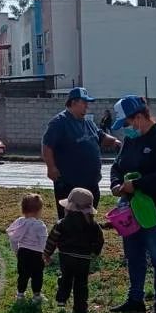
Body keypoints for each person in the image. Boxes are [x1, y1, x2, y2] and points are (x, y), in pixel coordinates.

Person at [110, 95, 156, 313]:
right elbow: (117, 166)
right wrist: (116, 184)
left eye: (126, 125)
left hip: (155, 211)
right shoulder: (131, 140)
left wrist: (136, 184)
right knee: (134, 254)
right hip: (130, 210)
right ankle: (135, 298)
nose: (125, 131)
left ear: (138, 118)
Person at [42, 86, 120, 218]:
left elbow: (101, 137)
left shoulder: (88, 123)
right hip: (69, 184)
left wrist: (116, 141)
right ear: (73, 103)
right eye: (84, 103)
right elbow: (47, 146)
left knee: (88, 219)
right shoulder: (59, 122)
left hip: (91, 182)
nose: (86, 106)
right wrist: (51, 167)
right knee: (69, 220)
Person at [44, 187, 104, 313]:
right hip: (84, 258)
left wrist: (47, 253)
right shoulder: (93, 225)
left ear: (69, 206)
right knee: (81, 283)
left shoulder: (62, 223)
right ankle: (80, 309)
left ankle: (61, 299)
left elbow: (52, 239)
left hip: (65, 257)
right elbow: (99, 240)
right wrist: (95, 252)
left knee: (66, 277)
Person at [6, 193, 48, 303]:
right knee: (37, 275)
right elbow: (44, 241)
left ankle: (20, 294)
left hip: (23, 252)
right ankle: (36, 295)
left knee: (22, 275)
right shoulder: (40, 225)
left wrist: (16, 250)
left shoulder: (19, 221)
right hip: (37, 254)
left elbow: (13, 238)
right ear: (38, 210)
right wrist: (46, 254)